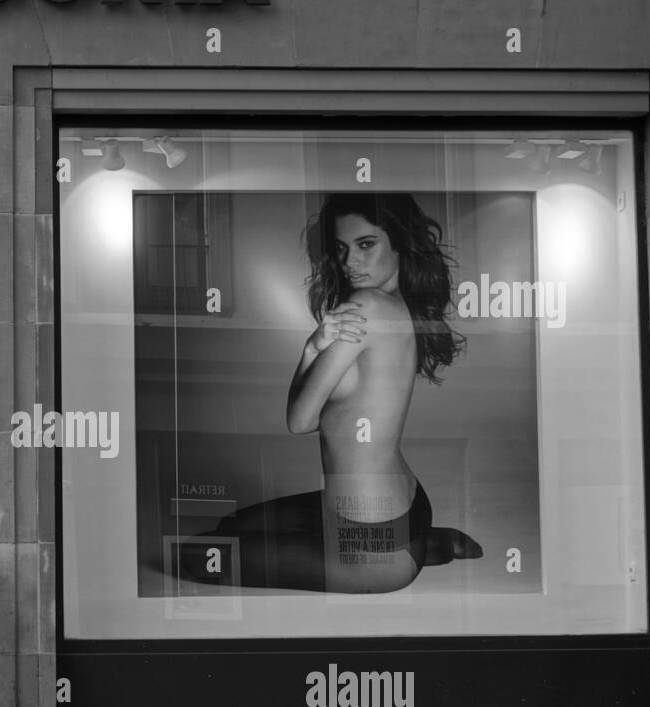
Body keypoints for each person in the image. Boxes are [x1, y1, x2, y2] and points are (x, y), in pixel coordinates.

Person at [197, 193, 481, 593]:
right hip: (407, 506)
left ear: (398, 241)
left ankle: (414, 551)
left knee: (203, 555)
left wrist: (312, 349)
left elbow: (300, 421)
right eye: (342, 248)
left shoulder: (364, 306)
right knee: (236, 526)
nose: (350, 262)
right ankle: (425, 541)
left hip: (369, 544)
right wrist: (312, 347)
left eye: (367, 245)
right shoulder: (399, 304)